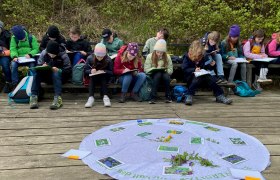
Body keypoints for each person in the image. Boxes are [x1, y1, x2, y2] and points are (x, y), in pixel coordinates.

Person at [182, 40, 232, 106]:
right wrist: (194, 69)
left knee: (209, 77)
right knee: (199, 77)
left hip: (201, 76)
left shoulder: (202, 56)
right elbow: (185, 69)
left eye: (200, 55)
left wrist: (212, 65)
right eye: (198, 55)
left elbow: (205, 67)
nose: (200, 57)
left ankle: (220, 96)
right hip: (190, 77)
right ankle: (189, 95)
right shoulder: (187, 57)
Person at [29, 41, 71, 110]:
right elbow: (38, 65)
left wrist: (59, 70)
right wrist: (42, 66)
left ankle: (58, 98)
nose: (51, 56)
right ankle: (34, 96)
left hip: (60, 77)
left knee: (55, 73)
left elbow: (68, 70)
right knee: (37, 73)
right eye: (49, 54)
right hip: (47, 75)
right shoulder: (44, 53)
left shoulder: (63, 55)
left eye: (53, 54)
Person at [84, 43, 113, 108]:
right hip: (93, 78)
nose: (100, 58)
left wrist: (104, 71)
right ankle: (91, 97)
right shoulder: (90, 58)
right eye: (98, 56)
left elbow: (111, 72)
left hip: (105, 78)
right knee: (92, 77)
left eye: (102, 57)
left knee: (103, 76)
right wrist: (91, 71)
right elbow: (85, 71)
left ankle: (105, 96)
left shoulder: (108, 59)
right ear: (95, 54)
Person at [144, 39, 173, 104]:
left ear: (164, 52)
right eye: (158, 52)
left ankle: (168, 96)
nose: (159, 54)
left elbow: (170, 70)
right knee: (158, 74)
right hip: (153, 75)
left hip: (164, 74)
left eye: (161, 53)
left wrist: (165, 69)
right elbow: (146, 69)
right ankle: (153, 97)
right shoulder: (149, 56)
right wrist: (155, 68)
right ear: (155, 51)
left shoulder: (167, 57)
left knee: (165, 76)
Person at [0, 20, 12, 93]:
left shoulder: (7, 35)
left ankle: (8, 82)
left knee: (5, 64)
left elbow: (12, 48)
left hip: (5, 54)